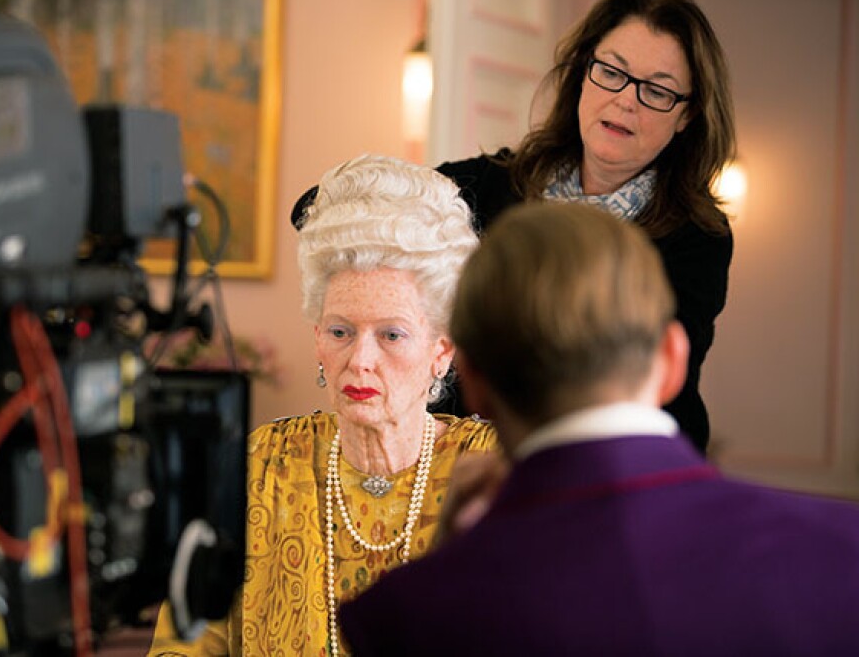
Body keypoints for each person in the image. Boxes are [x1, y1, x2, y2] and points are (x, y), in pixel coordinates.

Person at [337, 202, 859, 656]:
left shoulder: (406, 617)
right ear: (673, 359)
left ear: (471, 381)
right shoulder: (841, 552)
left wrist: (451, 560)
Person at [291, 0, 735, 454]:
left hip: (620, 467)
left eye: (657, 91)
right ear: (583, 71)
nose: (625, 100)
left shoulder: (698, 236)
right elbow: (317, 210)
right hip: (468, 458)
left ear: (688, 114)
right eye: (612, 72)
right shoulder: (492, 183)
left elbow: (650, 381)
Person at [148, 154, 497, 656]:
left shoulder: (492, 470)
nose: (360, 360)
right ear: (317, 338)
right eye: (341, 331)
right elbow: (183, 641)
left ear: (442, 349)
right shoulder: (259, 467)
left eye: (391, 335)